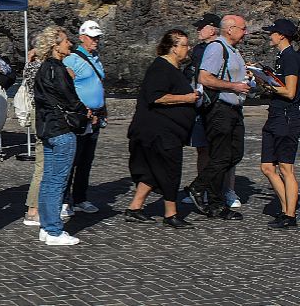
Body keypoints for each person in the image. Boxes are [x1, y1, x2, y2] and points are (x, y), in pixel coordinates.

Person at [126, 30, 198, 228]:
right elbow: (156, 96)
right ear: (173, 48)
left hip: (167, 130)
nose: (188, 48)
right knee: (170, 170)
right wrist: (187, 98)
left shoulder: (173, 69)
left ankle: (134, 208)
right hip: (159, 131)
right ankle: (170, 213)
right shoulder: (161, 68)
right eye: (184, 45)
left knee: (151, 171)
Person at [185, 15, 251, 220]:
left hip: (233, 109)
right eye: (243, 28)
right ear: (230, 29)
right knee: (221, 156)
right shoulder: (216, 48)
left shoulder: (233, 50)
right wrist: (234, 86)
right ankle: (208, 197)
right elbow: (204, 77)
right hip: (220, 109)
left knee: (233, 154)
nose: (246, 32)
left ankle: (206, 192)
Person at [33, 26, 89, 246]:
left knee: (49, 180)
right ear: (55, 45)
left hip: (48, 128)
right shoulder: (58, 69)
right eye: (66, 41)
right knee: (57, 181)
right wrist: (85, 112)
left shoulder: (44, 68)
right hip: (61, 129)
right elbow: (69, 99)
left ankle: (47, 227)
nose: (70, 44)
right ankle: (54, 230)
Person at [257, 19, 300, 229]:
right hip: (275, 115)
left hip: (287, 117)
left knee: (286, 168)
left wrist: (269, 85)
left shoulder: (291, 57)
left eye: (272, 32)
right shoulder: (281, 57)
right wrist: (264, 81)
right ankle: (286, 208)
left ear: (282, 35)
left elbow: (290, 92)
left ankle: (290, 215)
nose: (269, 35)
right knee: (267, 167)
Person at [62, 20, 106, 216]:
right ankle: (64, 200)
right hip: (80, 117)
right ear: (82, 37)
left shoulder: (96, 58)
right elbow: (66, 87)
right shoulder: (72, 59)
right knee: (72, 159)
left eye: (97, 37)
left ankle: (80, 198)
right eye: (92, 37)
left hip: (95, 117)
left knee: (86, 160)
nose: (95, 40)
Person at [22, 48, 47, 227]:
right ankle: (33, 209)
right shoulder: (38, 67)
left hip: (38, 115)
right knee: (43, 164)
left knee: (43, 164)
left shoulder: (31, 65)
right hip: (41, 116)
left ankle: (38, 207)